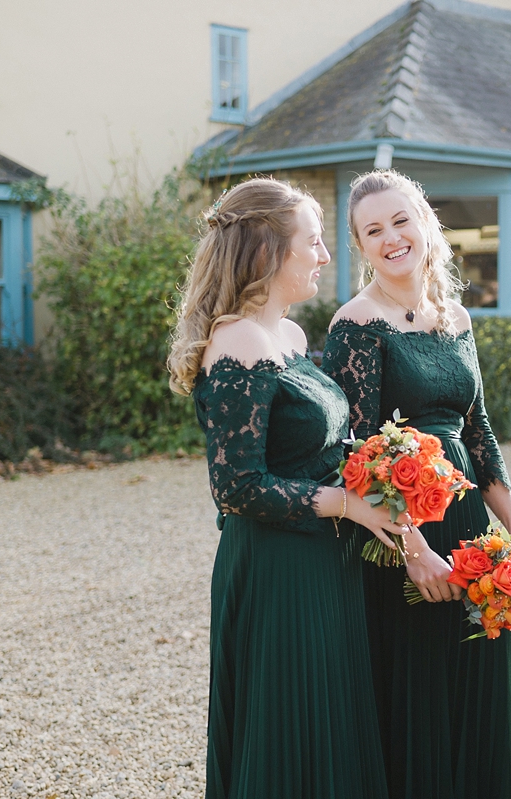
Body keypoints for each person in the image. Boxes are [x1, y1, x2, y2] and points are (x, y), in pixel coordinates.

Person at [167, 177, 400, 799]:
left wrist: (392, 471)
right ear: (269, 253)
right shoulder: (237, 340)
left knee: (330, 718)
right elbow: (236, 485)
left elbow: (317, 446)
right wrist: (344, 503)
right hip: (276, 565)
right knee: (289, 726)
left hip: (324, 557)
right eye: (315, 242)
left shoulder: (292, 338)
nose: (326, 256)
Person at [321, 169, 511, 799]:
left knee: (474, 676)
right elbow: (353, 454)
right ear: (361, 247)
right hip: (400, 536)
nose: (391, 238)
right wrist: (413, 551)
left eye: (400, 221)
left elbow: (481, 435)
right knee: (416, 686)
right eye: (373, 230)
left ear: (424, 224)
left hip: (469, 526)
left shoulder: (456, 317)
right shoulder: (357, 324)